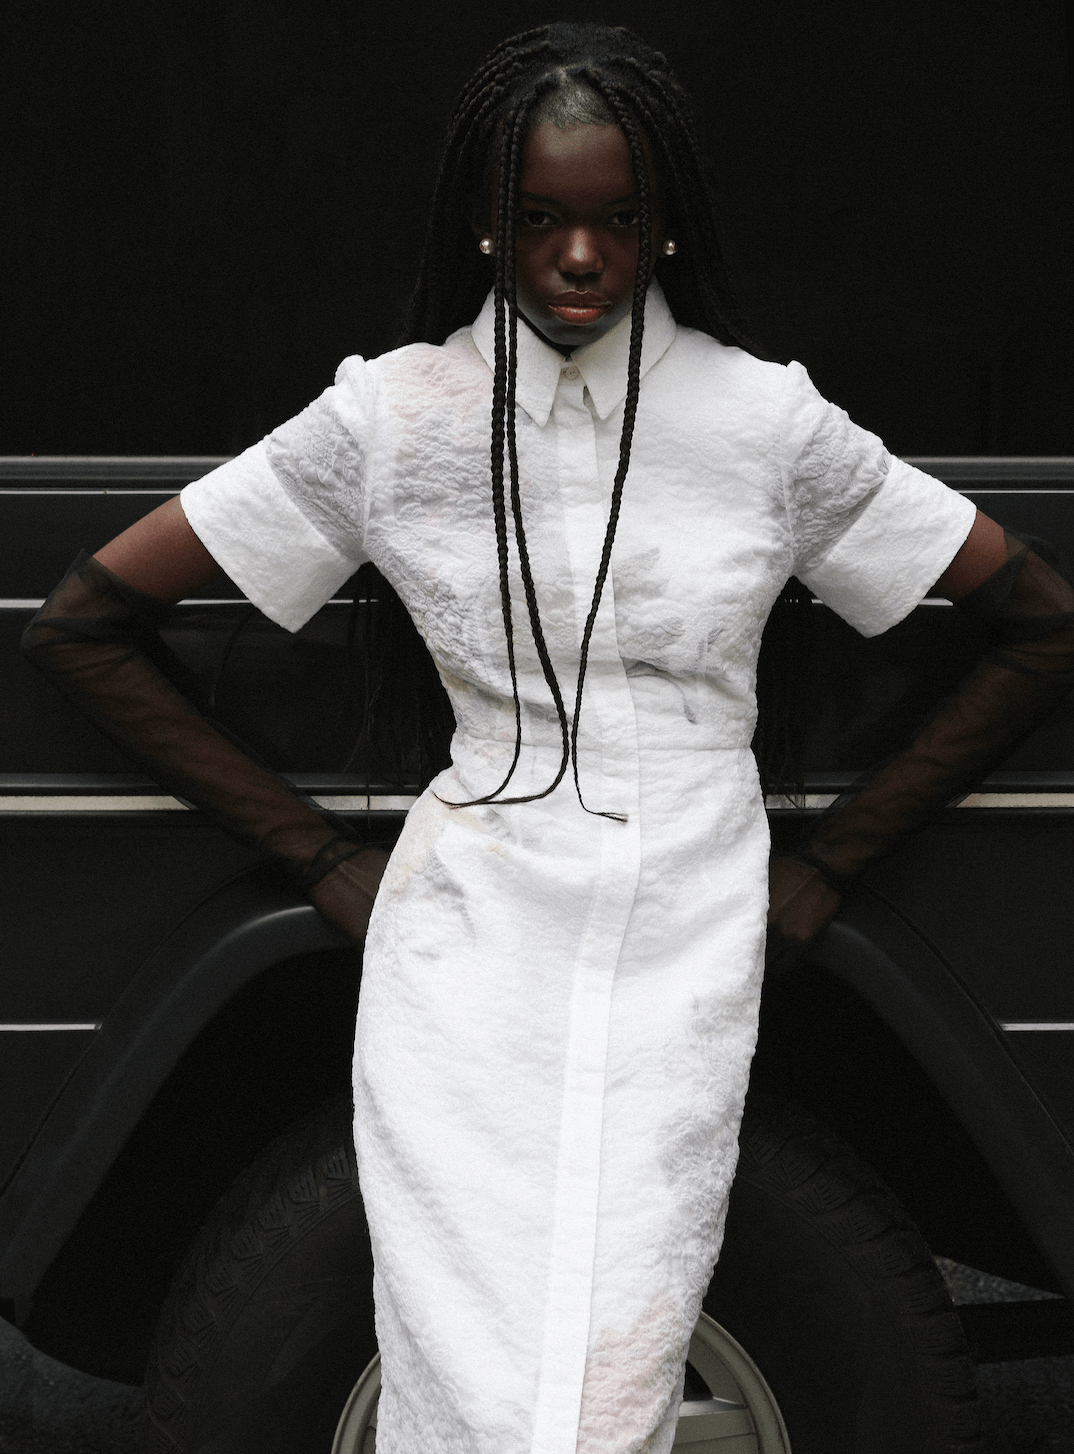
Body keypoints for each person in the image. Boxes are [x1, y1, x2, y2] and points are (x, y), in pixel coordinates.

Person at [22, 21, 1074, 1454]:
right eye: (538, 219)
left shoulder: (763, 423)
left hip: (688, 928)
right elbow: (84, 622)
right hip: (466, 937)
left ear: (663, 226)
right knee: (456, 1343)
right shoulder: (390, 417)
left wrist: (831, 865)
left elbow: (1039, 620)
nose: (580, 255)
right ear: (485, 224)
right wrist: (320, 859)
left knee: (618, 1344)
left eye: (617, 218)